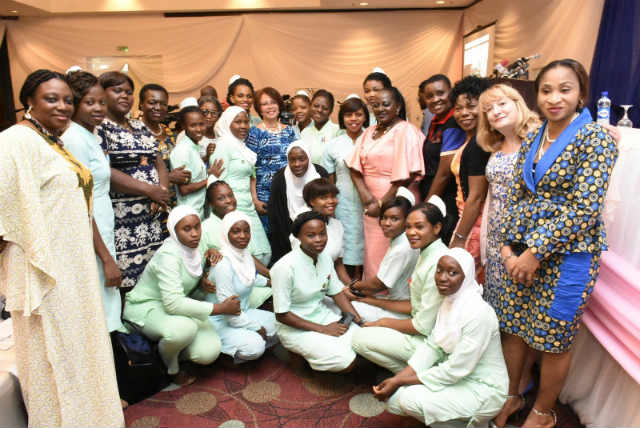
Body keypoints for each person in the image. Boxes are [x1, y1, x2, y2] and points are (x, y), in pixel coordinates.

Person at [493, 59, 618, 428]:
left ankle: (543, 413)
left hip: (569, 257)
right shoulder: (533, 135)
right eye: (546, 90)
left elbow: (584, 209)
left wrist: (534, 253)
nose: (554, 98)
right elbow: (518, 197)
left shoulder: (594, 138)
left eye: (565, 89)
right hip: (522, 252)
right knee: (514, 327)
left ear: (581, 94)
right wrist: (508, 248)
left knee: (552, 339)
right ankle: (511, 396)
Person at [0, 69, 123, 426]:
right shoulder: (14, 140)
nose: (63, 106)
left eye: (68, 99)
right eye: (51, 99)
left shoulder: (53, 141)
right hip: (46, 272)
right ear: (28, 102)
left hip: (75, 267)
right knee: (56, 357)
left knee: (80, 351)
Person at [373, 248, 508, 427]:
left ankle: (477, 423)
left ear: (466, 276)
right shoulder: (449, 301)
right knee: (394, 399)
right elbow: (432, 347)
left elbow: (455, 369)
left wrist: (399, 380)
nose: (443, 277)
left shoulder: (478, 313)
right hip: (457, 376)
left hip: (483, 389)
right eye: (439, 270)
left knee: (408, 400)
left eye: (453, 272)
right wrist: (397, 380)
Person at [123, 206, 238, 385]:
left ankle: (164, 347)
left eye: (197, 227)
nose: (194, 234)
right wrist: (219, 308)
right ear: (174, 231)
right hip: (147, 306)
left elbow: (210, 251)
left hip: (176, 305)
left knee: (208, 352)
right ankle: (169, 366)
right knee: (184, 329)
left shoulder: (197, 245)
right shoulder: (169, 255)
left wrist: (210, 259)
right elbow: (173, 304)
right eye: (186, 229)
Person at [351, 200, 448, 373]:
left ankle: (418, 375)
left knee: (358, 339)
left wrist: (382, 323)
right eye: (408, 227)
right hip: (419, 325)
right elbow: (414, 305)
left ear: (437, 228)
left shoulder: (438, 263)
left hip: (430, 342)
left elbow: (422, 327)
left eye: (419, 227)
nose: (411, 232)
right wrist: (373, 301)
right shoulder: (426, 252)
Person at [63, 69, 124, 334]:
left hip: (102, 223)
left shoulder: (89, 134)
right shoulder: (74, 138)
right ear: (75, 104)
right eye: (90, 103)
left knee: (106, 302)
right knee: (100, 302)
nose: (98, 108)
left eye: (101, 102)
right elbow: (80, 205)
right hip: (91, 231)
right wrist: (106, 258)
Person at [97, 71, 169, 288]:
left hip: (153, 212)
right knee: (127, 276)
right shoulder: (99, 128)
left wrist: (161, 191)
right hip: (124, 218)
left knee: (154, 272)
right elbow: (104, 171)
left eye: (129, 92)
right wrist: (149, 190)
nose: (124, 96)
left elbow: (159, 161)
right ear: (102, 93)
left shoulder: (140, 126)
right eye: (117, 90)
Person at [347, 86, 425, 280]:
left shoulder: (406, 131)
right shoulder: (370, 131)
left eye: (386, 104)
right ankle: (372, 295)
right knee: (373, 250)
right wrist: (367, 197)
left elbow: (408, 174)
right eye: (376, 105)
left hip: (397, 201)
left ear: (397, 107)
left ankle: (392, 299)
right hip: (370, 203)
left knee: (393, 250)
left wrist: (382, 205)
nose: (380, 109)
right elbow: (354, 167)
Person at [271, 211, 362, 372]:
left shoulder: (324, 257)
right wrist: (324, 330)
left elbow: (337, 294)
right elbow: (282, 315)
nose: (319, 240)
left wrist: (359, 321)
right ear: (298, 237)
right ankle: (292, 353)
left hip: (322, 315)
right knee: (345, 362)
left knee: (362, 343)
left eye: (322, 234)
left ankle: (308, 354)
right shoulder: (283, 268)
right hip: (294, 326)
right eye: (311, 235)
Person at [476, 84, 541, 311]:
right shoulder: (495, 147)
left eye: (502, 103)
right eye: (489, 109)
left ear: (518, 104)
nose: (496, 111)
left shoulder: (540, 141)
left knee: (523, 311)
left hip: (526, 242)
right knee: (497, 311)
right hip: (496, 241)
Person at [202, 211, 277, 363]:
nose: (243, 236)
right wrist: (256, 327)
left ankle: (244, 340)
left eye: (246, 231)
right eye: (236, 231)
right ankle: (225, 356)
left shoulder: (245, 254)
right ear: (225, 233)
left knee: (280, 324)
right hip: (221, 320)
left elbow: (250, 277)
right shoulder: (223, 264)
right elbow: (229, 311)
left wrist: (273, 283)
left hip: (243, 313)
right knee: (255, 346)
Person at [345, 189, 420, 322]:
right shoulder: (403, 240)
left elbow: (379, 284)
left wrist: (353, 286)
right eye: (384, 217)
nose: (386, 223)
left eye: (394, 219)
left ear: (406, 221)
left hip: (401, 310)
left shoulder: (402, 247)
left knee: (344, 307)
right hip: (397, 302)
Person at [210, 106, 272, 265]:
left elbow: (251, 176)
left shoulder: (243, 147)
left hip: (249, 206)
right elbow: (217, 183)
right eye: (238, 122)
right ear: (227, 123)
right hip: (232, 208)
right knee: (247, 256)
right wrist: (227, 212)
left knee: (264, 252)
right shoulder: (223, 145)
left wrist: (255, 200)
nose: (244, 126)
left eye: (246, 122)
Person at [200, 179, 272, 309]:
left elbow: (247, 256)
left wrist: (271, 275)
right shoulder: (205, 228)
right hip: (218, 290)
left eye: (230, 195)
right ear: (211, 204)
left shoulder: (239, 221)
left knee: (274, 293)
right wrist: (202, 279)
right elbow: (198, 264)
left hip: (243, 281)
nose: (228, 200)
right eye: (221, 198)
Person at [447, 76, 492, 282]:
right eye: (458, 108)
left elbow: (475, 198)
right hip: (468, 220)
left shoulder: (479, 144)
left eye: (471, 106)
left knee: (462, 283)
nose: (464, 113)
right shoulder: (473, 139)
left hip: (474, 224)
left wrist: (459, 239)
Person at [321, 95, 368, 278]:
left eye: (358, 114)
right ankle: (348, 283)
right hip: (343, 202)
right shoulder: (334, 145)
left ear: (365, 116)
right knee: (345, 242)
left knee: (368, 242)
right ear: (342, 118)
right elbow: (329, 181)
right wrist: (331, 204)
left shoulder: (372, 139)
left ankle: (365, 280)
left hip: (369, 200)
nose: (354, 119)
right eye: (349, 115)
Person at [421, 74, 466, 243]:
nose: (435, 99)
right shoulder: (436, 121)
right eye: (430, 96)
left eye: (441, 93)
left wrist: (426, 206)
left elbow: (445, 172)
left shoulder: (454, 122)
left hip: (446, 197)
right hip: (435, 194)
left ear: (451, 94)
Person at [268, 141, 329, 264]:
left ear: (309, 158)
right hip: (285, 237)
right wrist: (292, 238)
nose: (297, 164)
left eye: (302, 159)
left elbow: (327, 206)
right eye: (292, 160)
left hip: (318, 235)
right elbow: (276, 215)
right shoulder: (280, 178)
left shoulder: (320, 174)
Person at [245, 87, 297, 233]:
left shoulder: (290, 131)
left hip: (288, 194)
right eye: (264, 104)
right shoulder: (255, 132)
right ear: (259, 109)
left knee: (288, 236)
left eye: (273, 102)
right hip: (264, 196)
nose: (270, 107)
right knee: (269, 237)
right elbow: (249, 169)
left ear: (279, 105)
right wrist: (255, 200)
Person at [139, 84, 192, 218]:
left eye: (163, 104)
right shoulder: (134, 134)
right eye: (152, 102)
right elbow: (131, 174)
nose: (158, 107)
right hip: (147, 206)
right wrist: (168, 177)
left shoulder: (171, 134)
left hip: (174, 205)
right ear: (141, 105)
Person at [289, 178, 350, 283]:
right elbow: (303, 267)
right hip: (308, 285)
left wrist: (350, 286)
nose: (331, 201)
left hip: (330, 284)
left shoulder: (337, 225)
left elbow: (338, 264)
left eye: (333, 196)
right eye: (324, 198)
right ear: (312, 201)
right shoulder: (304, 225)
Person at [169, 106, 218, 218]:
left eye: (201, 124)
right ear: (183, 126)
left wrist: (206, 157)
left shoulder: (194, 146)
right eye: (193, 125)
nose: (199, 129)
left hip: (198, 210)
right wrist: (210, 179)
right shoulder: (182, 150)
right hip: (188, 212)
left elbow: (193, 168)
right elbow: (184, 189)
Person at [300, 89, 342, 163]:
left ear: (331, 111)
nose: (319, 110)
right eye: (316, 106)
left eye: (325, 108)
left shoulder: (338, 132)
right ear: (310, 106)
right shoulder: (304, 132)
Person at [197, 95, 222, 163]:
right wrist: (207, 156)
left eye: (214, 113)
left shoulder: (220, 135)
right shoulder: (189, 136)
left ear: (219, 116)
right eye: (204, 112)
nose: (209, 116)